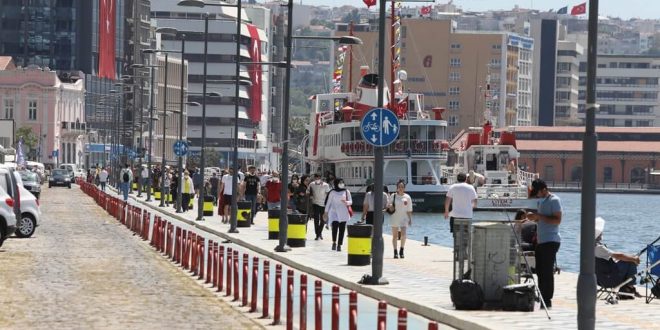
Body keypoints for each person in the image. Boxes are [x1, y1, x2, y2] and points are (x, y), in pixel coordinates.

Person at [526, 179, 562, 308]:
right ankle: (542, 297)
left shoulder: (554, 200)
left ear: (544, 189)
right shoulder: (541, 201)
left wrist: (539, 217)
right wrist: (535, 218)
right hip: (541, 241)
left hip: (551, 240)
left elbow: (557, 220)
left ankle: (547, 300)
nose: (538, 195)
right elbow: (543, 219)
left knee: (547, 271)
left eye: (539, 192)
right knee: (540, 271)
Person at [595, 217, 642, 298]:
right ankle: (630, 287)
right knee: (630, 262)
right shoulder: (598, 248)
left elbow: (610, 258)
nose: (602, 233)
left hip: (599, 279)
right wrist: (634, 259)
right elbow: (618, 255)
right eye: (600, 233)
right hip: (608, 280)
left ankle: (627, 288)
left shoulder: (589, 247)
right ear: (597, 235)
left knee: (627, 259)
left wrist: (629, 257)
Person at [323, 178, 352, 252]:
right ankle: (334, 242)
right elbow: (328, 203)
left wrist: (346, 202)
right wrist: (326, 212)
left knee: (342, 229)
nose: (341, 184)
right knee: (335, 228)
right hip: (334, 212)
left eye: (342, 182)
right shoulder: (332, 192)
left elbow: (351, 201)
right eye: (340, 182)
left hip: (343, 212)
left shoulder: (346, 191)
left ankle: (339, 245)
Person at [388, 180, 413, 259]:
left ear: (404, 188)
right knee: (395, 236)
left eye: (402, 187)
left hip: (404, 218)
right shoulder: (393, 196)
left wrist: (410, 219)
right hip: (395, 217)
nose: (401, 188)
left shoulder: (407, 197)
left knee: (403, 235)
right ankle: (395, 251)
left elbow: (409, 209)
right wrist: (390, 205)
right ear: (397, 188)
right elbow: (389, 205)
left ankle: (401, 250)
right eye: (399, 187)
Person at [307, 173, 330, 240]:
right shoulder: (312, 184)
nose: (317, 179)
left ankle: (319, 233)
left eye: (319, 178)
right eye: (316, 178)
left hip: (323, 204)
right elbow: (308, 191)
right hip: (315, 204)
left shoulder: (326, 185)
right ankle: (317, 234)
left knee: (323, 220)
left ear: (321, 178)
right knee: (316, 220)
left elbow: (328, 194)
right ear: (314, 178)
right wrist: (309, 195)